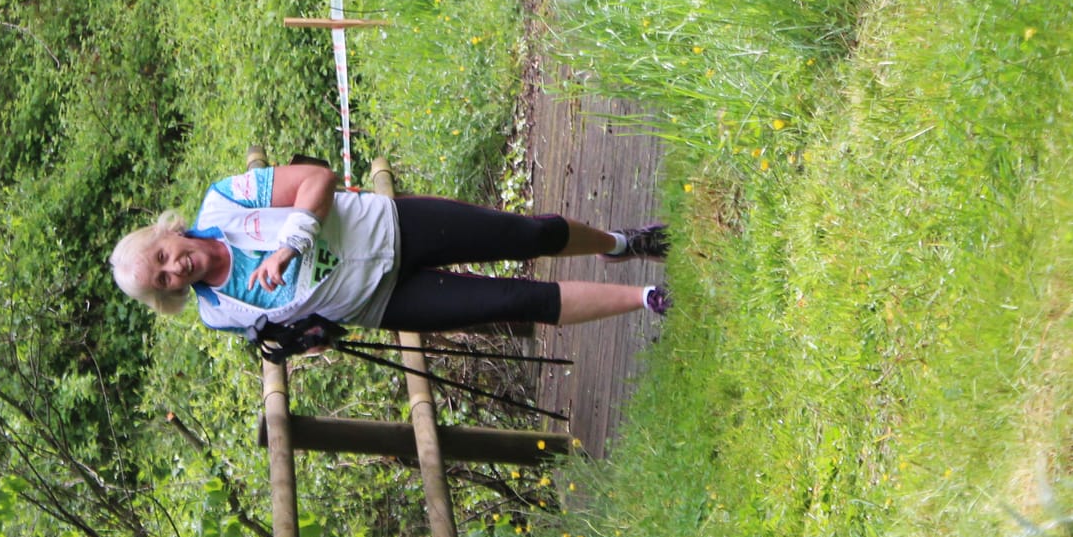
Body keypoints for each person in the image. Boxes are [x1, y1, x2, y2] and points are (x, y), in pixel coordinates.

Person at [109, 162, 667, 349]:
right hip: (384, 302)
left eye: (162, 257)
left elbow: (317, 180)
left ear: (166, 233)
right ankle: (646, 298)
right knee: (518, 301)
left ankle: (621, 244)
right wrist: (305, 340)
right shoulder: (217, 313)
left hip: (390, 227)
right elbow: (299, 331)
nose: (173, 268)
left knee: (530, 234)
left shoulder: (223, 201)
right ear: (168, 295)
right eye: (163, 280)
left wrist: (288, 247)